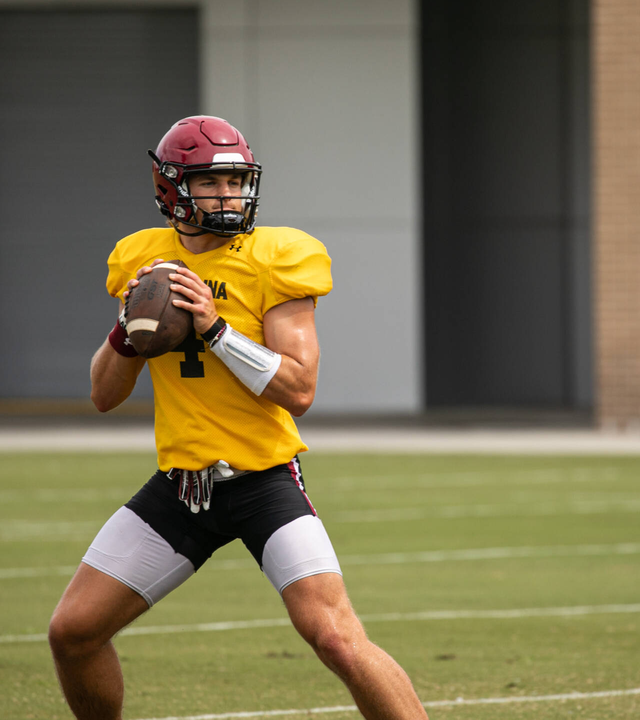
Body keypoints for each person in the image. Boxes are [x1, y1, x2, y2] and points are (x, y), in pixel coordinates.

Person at [48, 115, 428, 720]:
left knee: (335, 636)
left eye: (236, 181)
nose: (228, 195)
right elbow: (103, 395)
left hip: (263, 481)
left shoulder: (276, 256)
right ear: (172, 189)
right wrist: (129, 328)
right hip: (181, 487)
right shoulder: (144, 260)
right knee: (72, 632)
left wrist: (216, 329)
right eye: (211, 183)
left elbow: (298, 390)